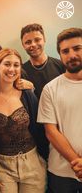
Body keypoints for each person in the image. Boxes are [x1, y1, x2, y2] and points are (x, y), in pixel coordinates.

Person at [0, 48, 47, 193]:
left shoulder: (27, 94)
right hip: (2, 165)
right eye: (7, 64)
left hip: (32, 162)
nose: (12, 69)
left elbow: (40, 129)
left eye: (16, 65)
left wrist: (47, 159)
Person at [37, 28, 82, 192]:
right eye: (65, 51)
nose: (71, 55)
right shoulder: (50, 89)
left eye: (77, 48)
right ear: (60, 54)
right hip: (60, 173)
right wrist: (77, 162)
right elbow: (51, 132)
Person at [21, 23, 65, 99]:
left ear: (44, 39)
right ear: (23, 45)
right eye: (28, 42)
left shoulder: (61, 65)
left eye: (37, 40)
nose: (33, 44)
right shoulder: (21, 71)